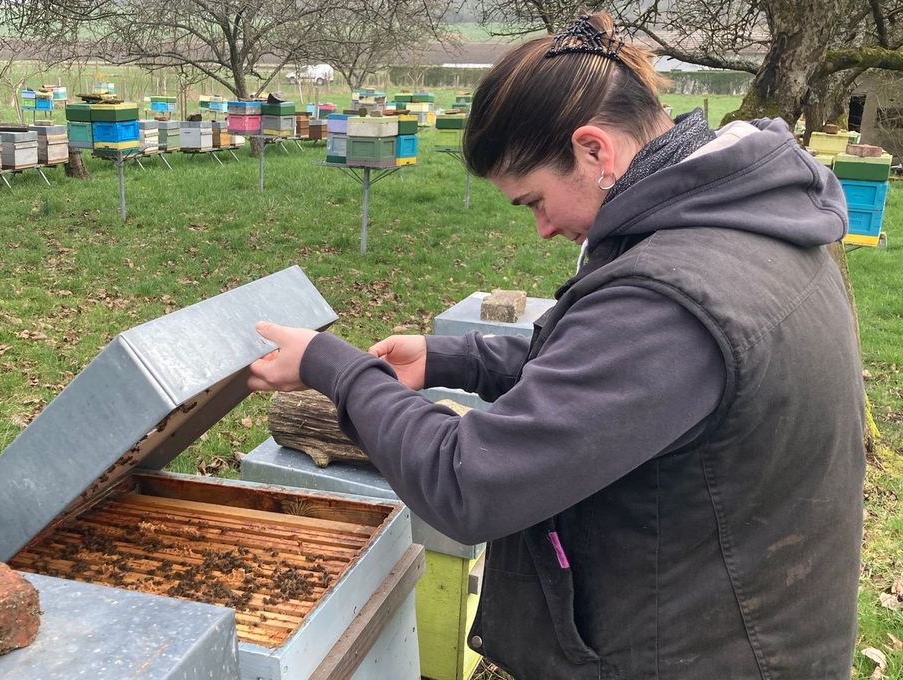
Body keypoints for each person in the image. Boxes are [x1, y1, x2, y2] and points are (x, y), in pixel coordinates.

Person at [247, 12, 865, 680]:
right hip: (734, 621)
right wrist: (451, 359)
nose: (541, 228)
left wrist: (331, 366)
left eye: (533, 200)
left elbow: (467, 482)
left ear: (595, 151)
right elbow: (615, 378)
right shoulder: (744, 225)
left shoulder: (673, 299)